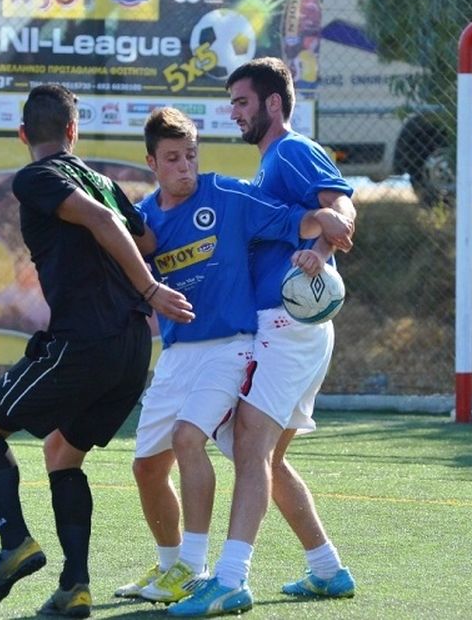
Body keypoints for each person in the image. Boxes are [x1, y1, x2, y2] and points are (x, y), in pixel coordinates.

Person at [0, 83, 194, 618]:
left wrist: (150, 289)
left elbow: (105, 224)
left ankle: (15, 542)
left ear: (23, 134)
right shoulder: (105, 183)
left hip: (85, 341)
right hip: (132, 350)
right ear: (73, 130)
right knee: (62, 452)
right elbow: (147, 240)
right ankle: (75, 588)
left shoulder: (37, 176)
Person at [113, 107, 350, 605]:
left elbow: (291, 218)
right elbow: (125, 267)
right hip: (177, 355)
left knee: (197, 441)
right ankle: (176, 566)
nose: (185, 167)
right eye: (172, 158)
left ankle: (202, 570)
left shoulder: (227, 194)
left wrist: (324, 219)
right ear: (151, 162)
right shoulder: (146, 220)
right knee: (149, 467)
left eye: (190, 155)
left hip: (231, 348)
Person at [167, 57, 357, 617]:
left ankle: (230, 579)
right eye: (232, 103)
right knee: (258, 453)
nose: (234, 112)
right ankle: (328, 569)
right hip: (284, 327)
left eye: (242, 102)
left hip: (288, 325)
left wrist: (318, 253)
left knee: (250, 446)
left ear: (274, 103)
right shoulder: (271, 161)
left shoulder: (291, 149)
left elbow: (341, 206)